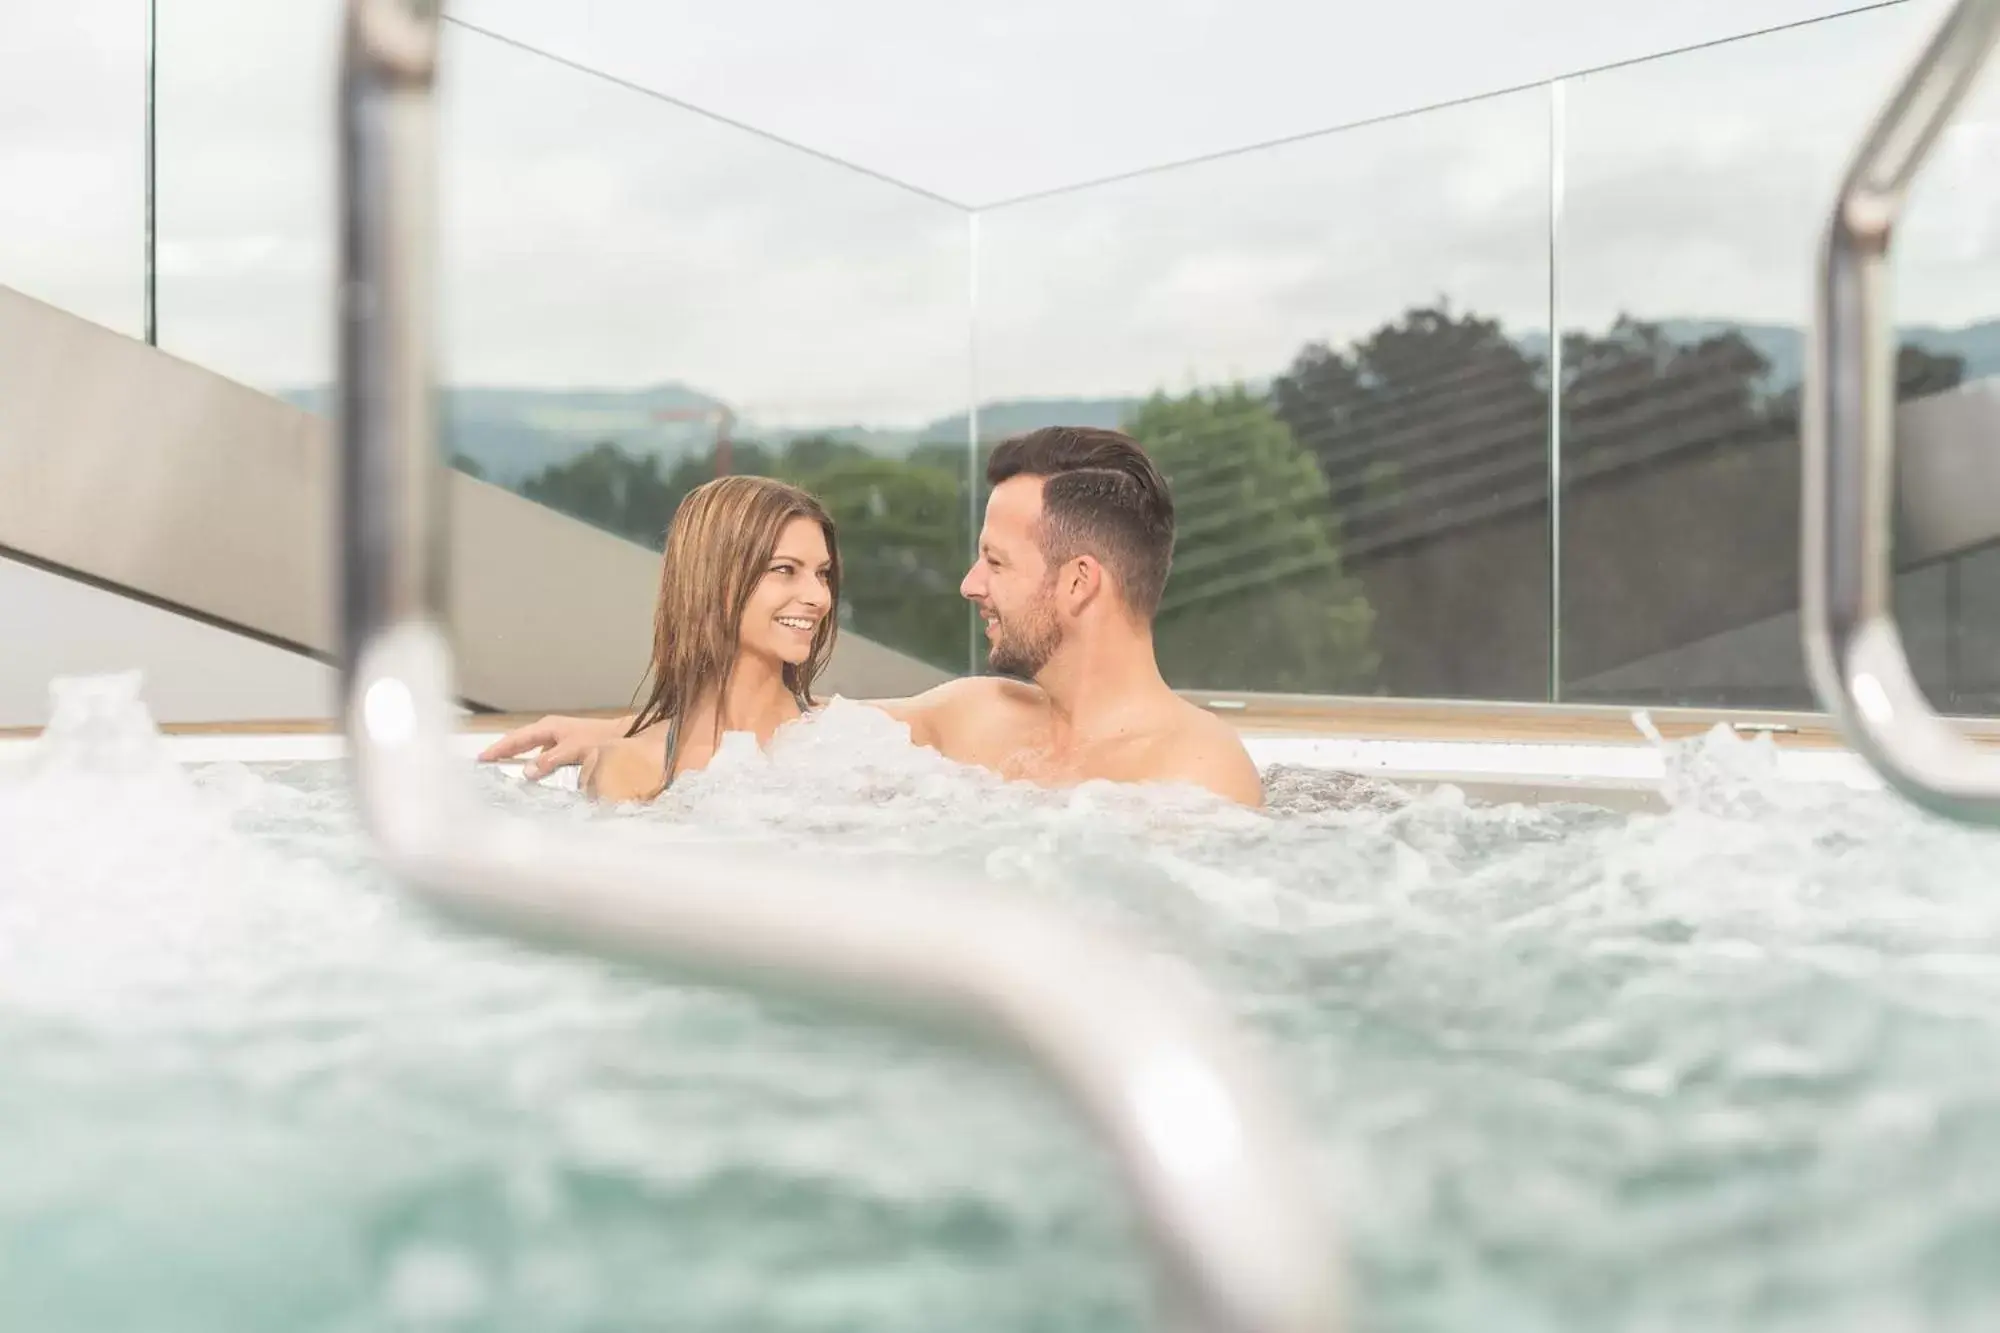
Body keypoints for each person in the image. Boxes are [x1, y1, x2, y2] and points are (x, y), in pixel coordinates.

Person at [481, 426, 1264, 807]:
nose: (968, 584)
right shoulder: (974, 714)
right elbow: (787, 736)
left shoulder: (1198, 772)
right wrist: (619, 734)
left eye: (994, 561)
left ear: (1079, 583)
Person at [558, 473, 839, 802]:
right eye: (783, 569)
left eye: (822, 573)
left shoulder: (854, 735)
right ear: (713, 579)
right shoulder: (634, 767)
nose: (819, 597)